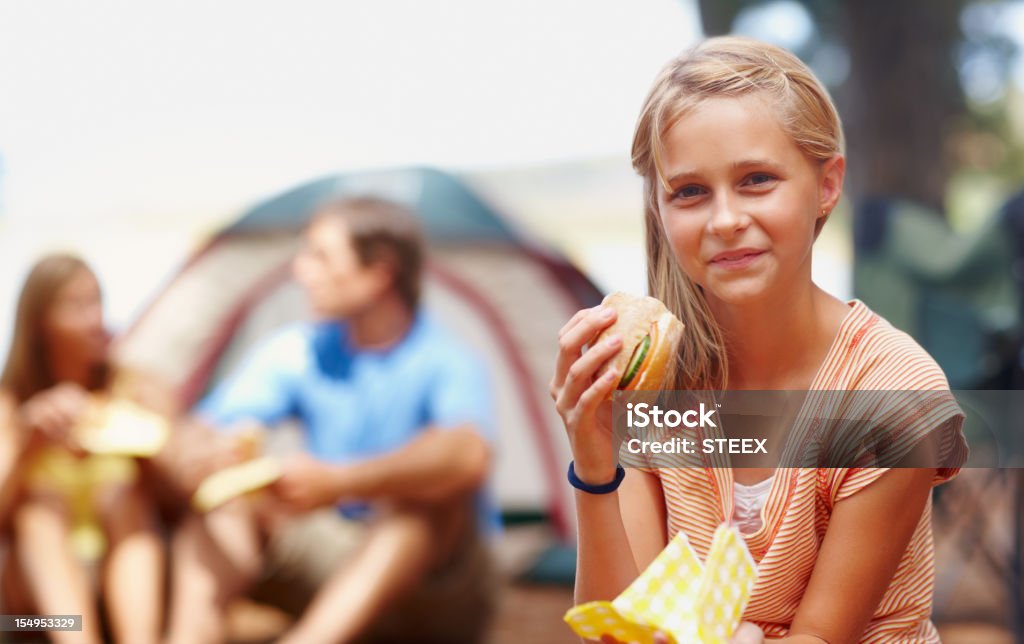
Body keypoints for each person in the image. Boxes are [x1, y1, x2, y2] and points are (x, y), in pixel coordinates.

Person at [550, 37, 968, 643]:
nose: (724, 220)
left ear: (827, 185)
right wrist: (594, 462)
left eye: (756, 180)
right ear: (660, 210)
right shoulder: (654, 386)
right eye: (689, 191)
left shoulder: (891, 389)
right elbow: (613, 631)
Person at [164, 196, 497, 644]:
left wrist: (340, 481)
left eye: (319, 256)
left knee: (424, 503)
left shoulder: (446, 359)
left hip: (436, 593)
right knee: (224, 497)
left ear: (379, 272)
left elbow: (468, 454)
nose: (301, 272)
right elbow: (203, 428)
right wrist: (205, 454)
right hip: (334, 563)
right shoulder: (300, 350)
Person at [0, 254, 168, 644]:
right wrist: (28, 443)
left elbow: (178, 498)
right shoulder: (12, 407)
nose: (96, 319)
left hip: (121, 593)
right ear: (40, 323)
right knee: (37, 511)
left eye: (97, 302)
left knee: (126, 498)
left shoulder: (134, 390)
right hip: (25, 618)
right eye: (77, 306)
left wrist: (148, 447)